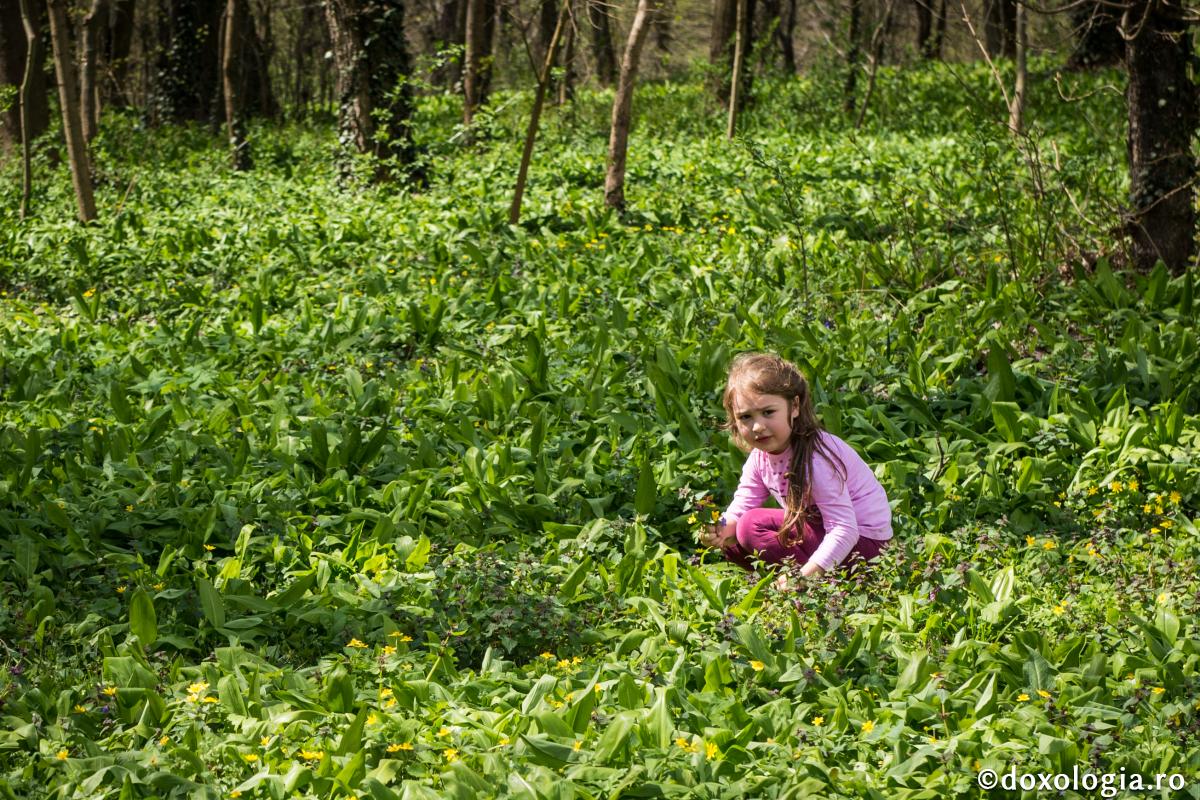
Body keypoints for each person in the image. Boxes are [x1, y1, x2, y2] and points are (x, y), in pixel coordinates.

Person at [699, 352, 892, 582]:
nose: (758, 426)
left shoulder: (817, 458)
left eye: (768, 412)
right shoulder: (760, 457)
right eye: (745, 417)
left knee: (751, 526)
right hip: (824, 534)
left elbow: (845, 529)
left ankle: (808, 582)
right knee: (734, 540)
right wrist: (720, 529)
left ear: (795, 407)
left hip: (866, 547)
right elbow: (742, 505)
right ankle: (803, 582)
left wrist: (804, 577)